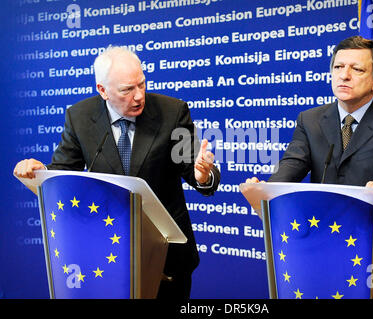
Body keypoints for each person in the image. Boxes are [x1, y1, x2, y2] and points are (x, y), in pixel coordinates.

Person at [14, 46, 221, 299]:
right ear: (102, 90)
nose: (138, 96)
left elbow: (194, 169)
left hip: (166, 255)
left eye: (141, 84)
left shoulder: (172, 111)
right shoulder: (80, 117)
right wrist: (41, 172)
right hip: (105, 254)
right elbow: (64, 173)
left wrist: (203, 176)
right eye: (127, 90)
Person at [247, 36, 373, 299]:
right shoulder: (311, 120)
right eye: (338, 68)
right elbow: (293, 163)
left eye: (357, 69)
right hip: (320, 249)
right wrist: (267, 189)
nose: (345, 75)